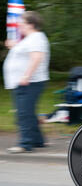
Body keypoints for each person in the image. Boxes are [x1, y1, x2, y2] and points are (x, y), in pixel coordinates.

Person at [3, 11, 50, 153]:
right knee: (28, 112)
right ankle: (38, 141)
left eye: (21, 22)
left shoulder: (36, 37)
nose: (19, 24)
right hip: (25, 82)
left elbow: (37, 57)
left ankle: (25, 143)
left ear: (30, 24)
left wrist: (26, 76)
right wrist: (13, 46)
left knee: (24, 113)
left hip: (30, 82)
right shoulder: (29, 38)